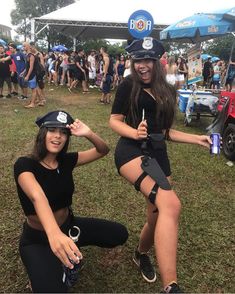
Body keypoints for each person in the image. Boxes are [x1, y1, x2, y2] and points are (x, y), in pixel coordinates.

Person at [109, 37, 212, 293]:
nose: (143, 65)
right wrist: (134, 133)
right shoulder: (128, 86)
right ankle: (171, 287)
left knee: (156, 216)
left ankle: (140, 253)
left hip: (158, 153)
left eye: (149, 60)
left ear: (158, 62)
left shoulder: (167, 90)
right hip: (132, 151)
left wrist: (196, 138)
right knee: (171, 204)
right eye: (139, 60)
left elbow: (166, 132)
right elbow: (114, 120)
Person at [14, 110, 128, 293]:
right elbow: (37, 196)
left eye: (64, 132)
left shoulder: (66, 161)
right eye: (52, 130)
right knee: (53, 290)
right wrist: (54, 234)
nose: (58, 136)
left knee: (119, 234)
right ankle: (47, 263)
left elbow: (103, 150)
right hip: (38, 238)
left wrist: (89, 133)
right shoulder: (25, 164)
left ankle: (66, 248)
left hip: (69, 228)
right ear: (42, 133)